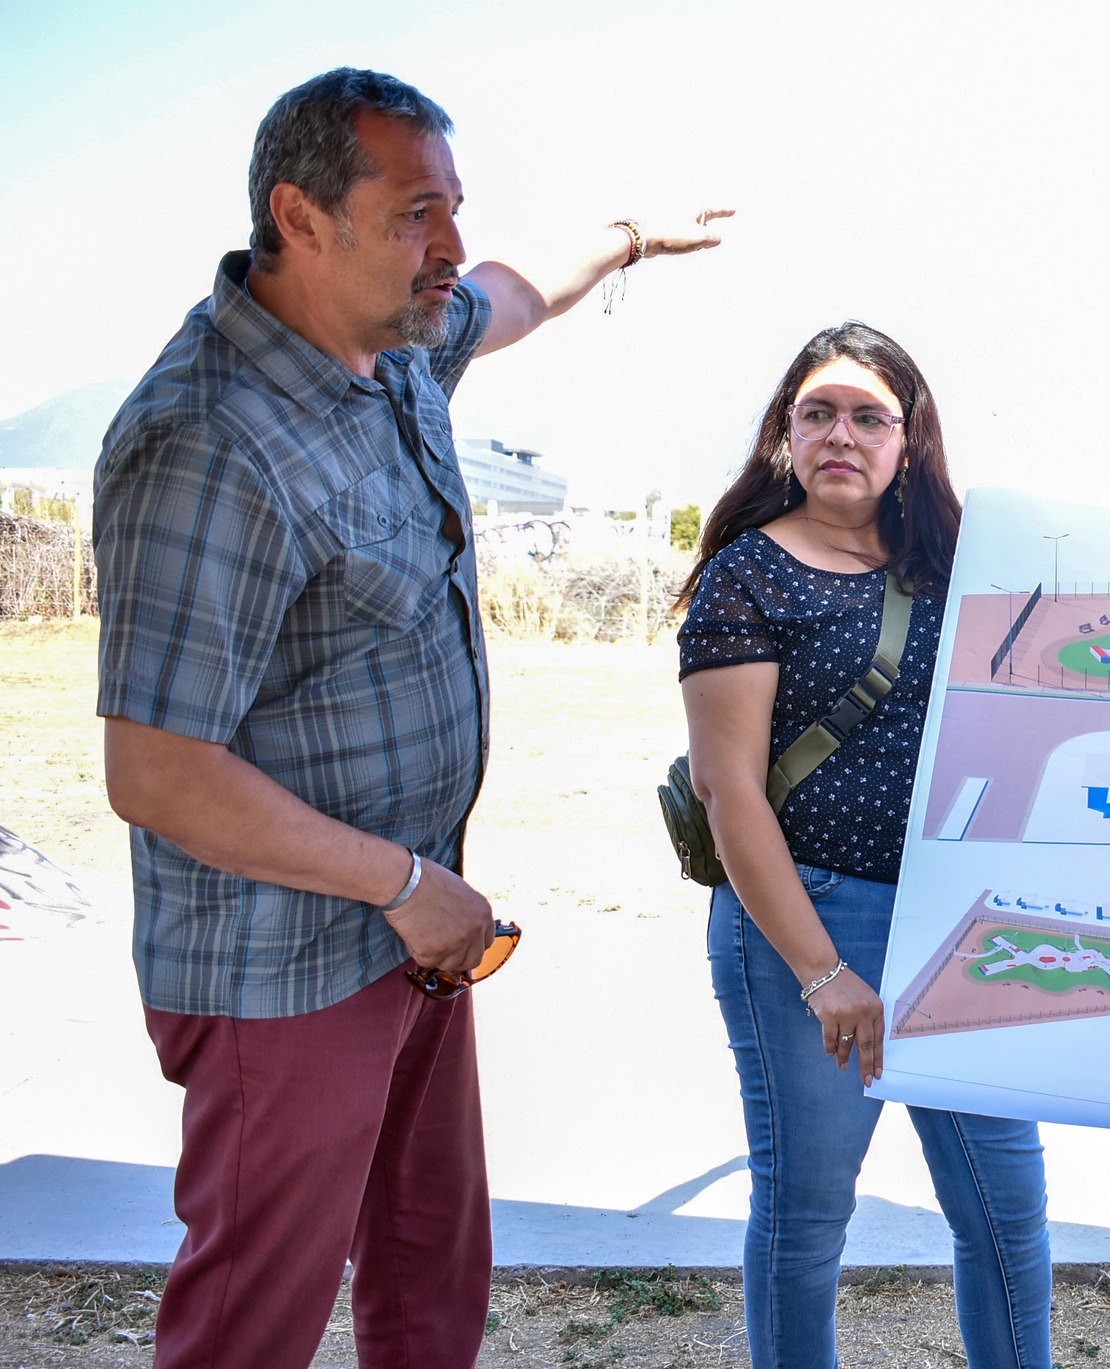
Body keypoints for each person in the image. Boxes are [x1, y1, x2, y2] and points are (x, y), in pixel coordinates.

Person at [93, 68, 729, 1369]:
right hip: (284, 964)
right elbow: (156, 770)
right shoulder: (209, 439)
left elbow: (511, 288)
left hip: (416, 926)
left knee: (431, 1256)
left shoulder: (388, 345)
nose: (446, 248)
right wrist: (402, 884)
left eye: (453, 210)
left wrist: (631, 236)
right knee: (251, 1320)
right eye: (414, 213)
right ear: (303, 219)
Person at [678, 322, 1052, 1369]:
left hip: (961, 929)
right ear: (784, 435)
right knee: (805, 1223)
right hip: (808, 920)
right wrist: (822, 971)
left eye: (867, 415)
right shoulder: (745, 576)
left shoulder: (965, 561)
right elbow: (728, 790)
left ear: (908, 437)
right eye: (817, 413)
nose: (840, 433)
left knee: (1006, 1218)